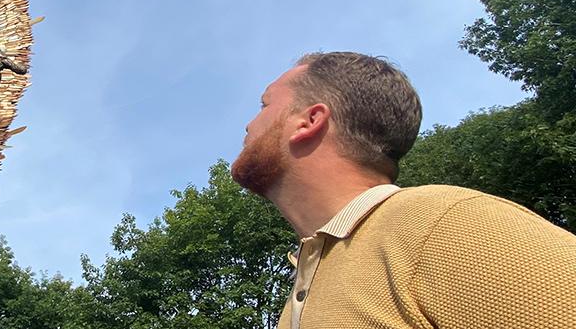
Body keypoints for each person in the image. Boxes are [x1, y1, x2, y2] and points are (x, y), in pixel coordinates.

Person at [231, 51, 576, 329]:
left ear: (309, 121)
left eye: (265, 105)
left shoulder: (445, 224)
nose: (249, 124)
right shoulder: (309, 276)